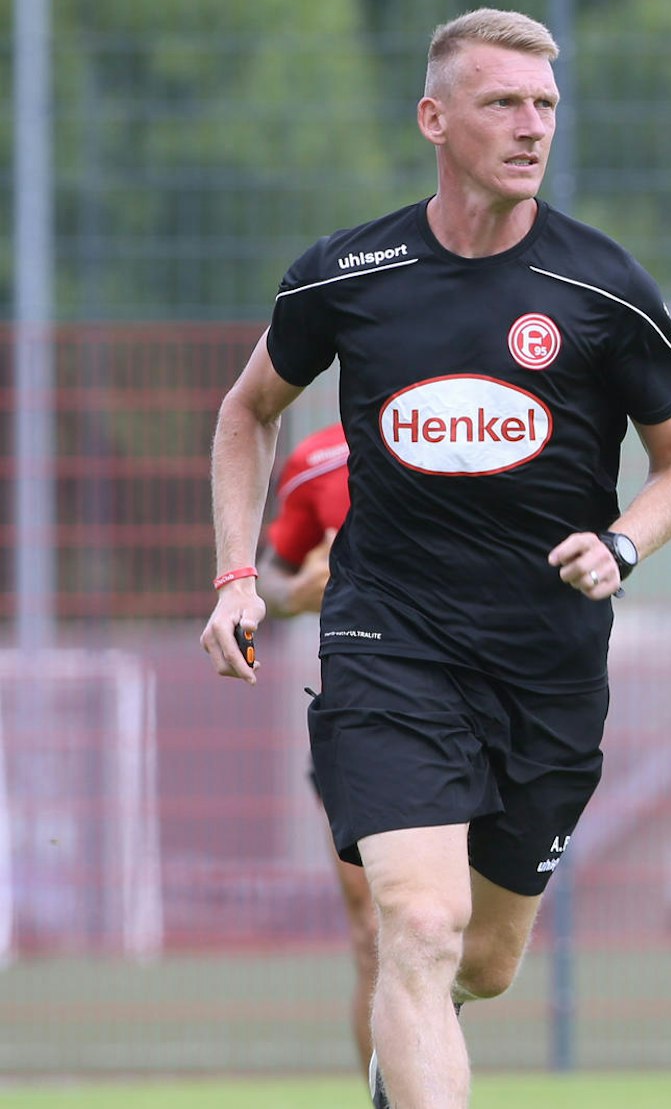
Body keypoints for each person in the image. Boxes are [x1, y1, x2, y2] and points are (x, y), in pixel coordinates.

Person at [198, 9, 671, 1109]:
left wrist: (623, 542)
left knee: (483, 959)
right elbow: (247, 412)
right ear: (434, 118)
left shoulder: (605, 288)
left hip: (547, 666)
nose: (532, 127)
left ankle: (407, 1057)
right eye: (502, 103)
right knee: (419, 924)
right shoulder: (348, 272)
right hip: (390, 641)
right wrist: (236, 577)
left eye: (546, 105)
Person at [255, 422, 378, 1078]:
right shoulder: (320, 459)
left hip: (481, 710)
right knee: (376, 936)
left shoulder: (482, 426)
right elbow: (271, 576)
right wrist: (297, 592)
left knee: (474, 950)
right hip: (360, 718)